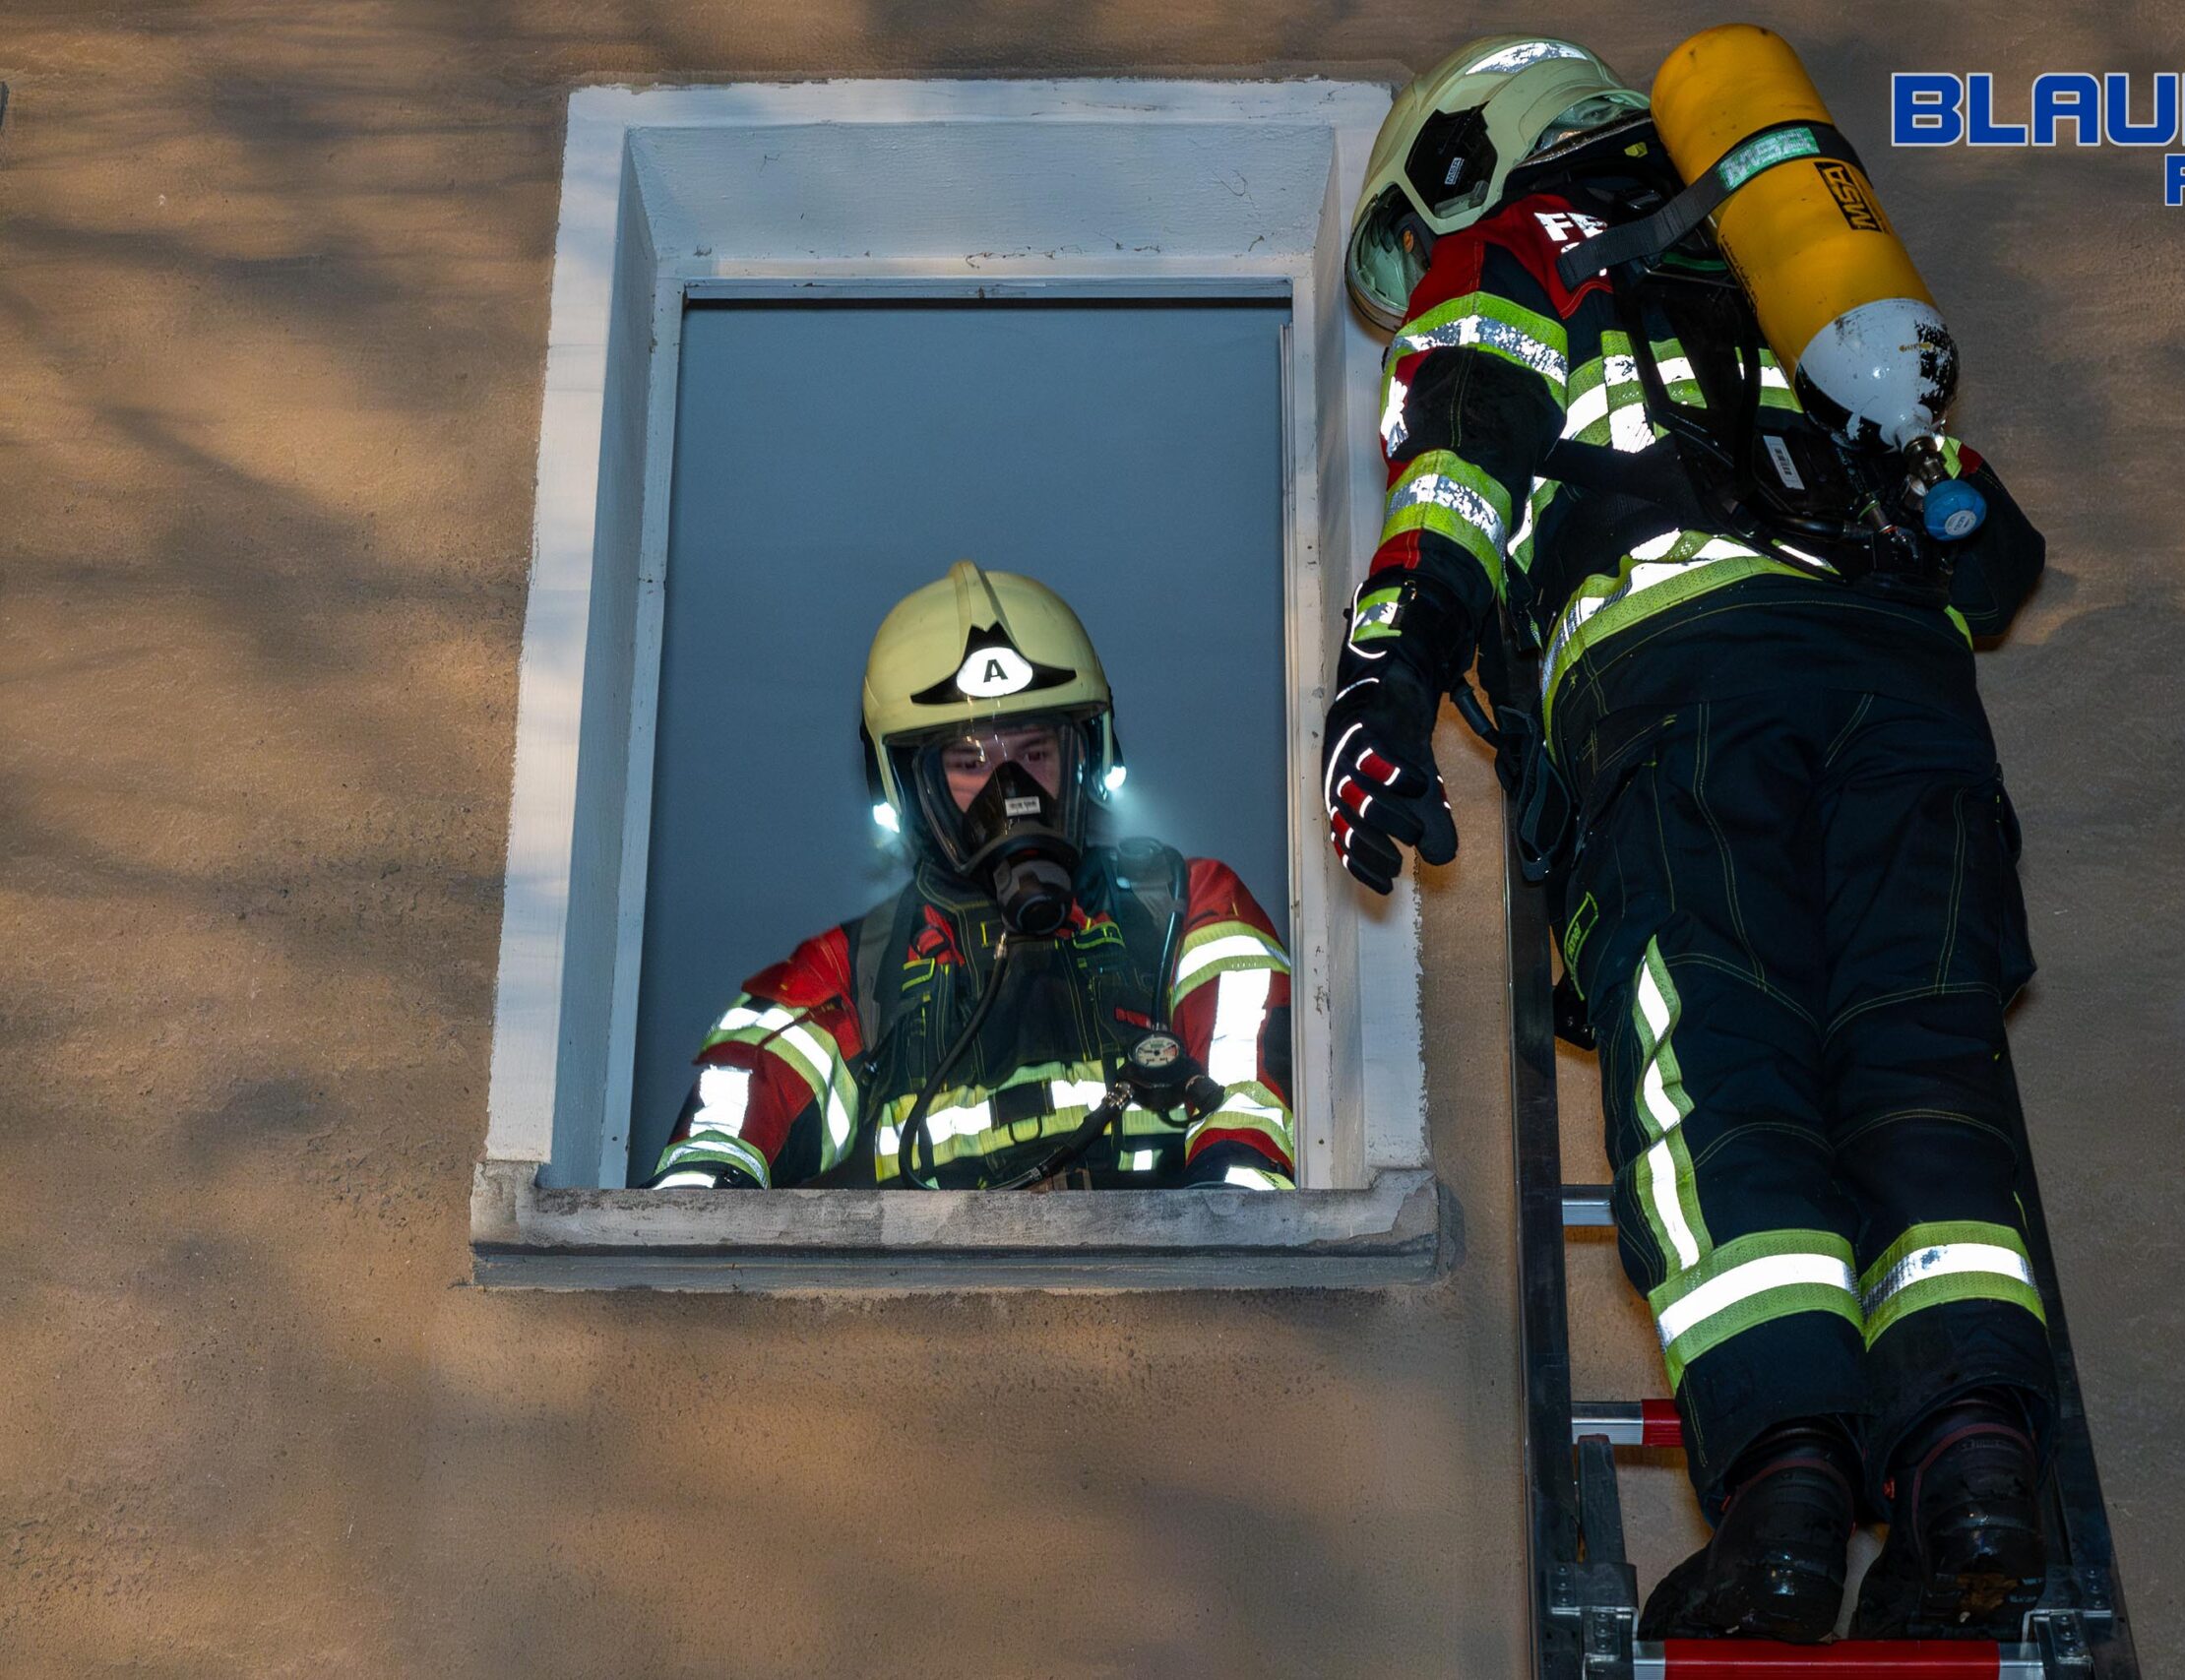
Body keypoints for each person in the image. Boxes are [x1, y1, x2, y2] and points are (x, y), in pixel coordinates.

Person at [1327, 34, 2056, 1641]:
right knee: (1921, 1071)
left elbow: (1455, 480)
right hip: (1908, 711)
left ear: (1466, 154)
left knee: (1721, 1073)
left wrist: (1380, 689)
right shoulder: (1794, 278)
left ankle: (1785, 1500)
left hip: (1684, 707)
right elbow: (1992, 557)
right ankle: (1974, 1473)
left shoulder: (1511, 251)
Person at [648, 561, 1297, 1194]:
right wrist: (692, 1202)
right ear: (909, 786)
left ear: (1086, 754)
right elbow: (732, 1109)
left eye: (1034, 751)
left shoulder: (1181, 909)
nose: (1009, 789)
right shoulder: (856, 972)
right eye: (970, 761)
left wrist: (1226, 1218)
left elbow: (1248, 1103)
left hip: (1171, 1271)